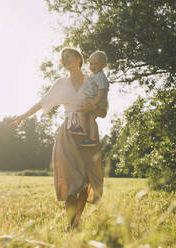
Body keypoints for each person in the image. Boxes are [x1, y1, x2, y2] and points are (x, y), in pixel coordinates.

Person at [10, 47, 106, 229]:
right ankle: (71, 224)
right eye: (63, 59)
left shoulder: (93, 82)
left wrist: (92, 108)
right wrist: (23, 116)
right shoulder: (61, 83)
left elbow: (103, 112)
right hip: (68, 134)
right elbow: (42, 102)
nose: (65, 61)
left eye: (69, 57)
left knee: (85, 181)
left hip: (88, 132)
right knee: (70, 181)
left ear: (79, 58)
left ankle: (76, 220)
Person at [69, 51, 109, 148]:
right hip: (94, 99)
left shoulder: (100, 76)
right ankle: (92, 139)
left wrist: (94, 102)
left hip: (97, 100)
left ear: (103, 65)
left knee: (81, 109)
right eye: (91, 63)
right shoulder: (93, 75)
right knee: (91, 120)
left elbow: (102, 91)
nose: (93, 66)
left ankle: (82, 128)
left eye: (96, 63)